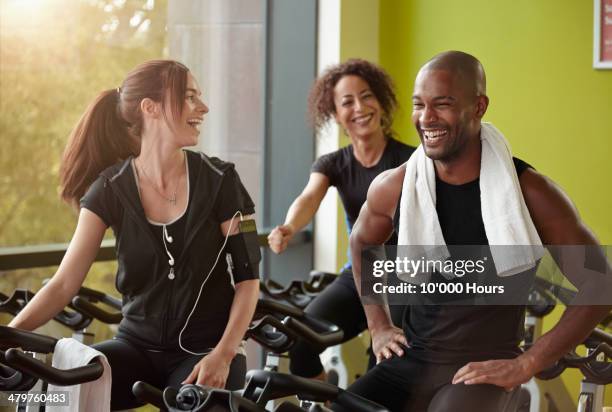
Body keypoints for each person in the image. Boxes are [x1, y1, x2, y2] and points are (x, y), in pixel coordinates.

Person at [338, 51, 612, 411]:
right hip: (413, 360)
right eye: (419, 104)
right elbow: (362, 241)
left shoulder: (532, 193)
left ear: (479, 107)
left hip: (484, 371)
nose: (426, 117)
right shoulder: (395, 187)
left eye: (443, 103)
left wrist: (527, 363)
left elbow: (600, 284)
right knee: (344, 406)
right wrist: (379, 325)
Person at [8, 60, 260, 409]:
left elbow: (248, 281)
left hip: (207, 350)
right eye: (189, 97)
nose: (202, 108)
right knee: (60, 398)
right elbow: (64, 284)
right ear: (150, 108)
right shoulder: (109, 189)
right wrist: (9, 337)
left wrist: (224, 354)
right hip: (135, 347)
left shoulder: (221, 180)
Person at [267, 59, 415, 381]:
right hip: (359, 277)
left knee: (387, 363)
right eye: (347, 102)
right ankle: (328, 401)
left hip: (406, 279)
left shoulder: (411, 160)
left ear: (380, 101)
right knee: (300, 344)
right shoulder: (333, 163)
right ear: (335, 114)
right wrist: (290, 227)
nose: (360, 107)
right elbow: (309, 197)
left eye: (367, 96)